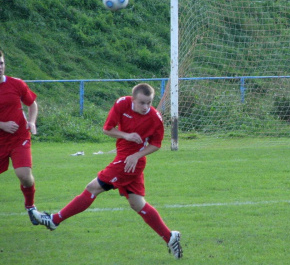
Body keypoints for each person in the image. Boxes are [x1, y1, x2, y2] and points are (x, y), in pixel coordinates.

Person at [33, 83, 183, 258]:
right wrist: (125, 135)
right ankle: (169, 236)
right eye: (142, 102)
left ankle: (54, 220)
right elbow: (107, 129)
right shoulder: (121, 104)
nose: (146, 107)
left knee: (92, 188)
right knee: (137, 203)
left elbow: (156, 144)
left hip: (129, 162)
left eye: (149, 103)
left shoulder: (155, 118)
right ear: (132, 99)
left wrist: (137, 155)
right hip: (125, 158)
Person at [0, 50, 39, 225]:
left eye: (1, 63)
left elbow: (32, 104)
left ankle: (30, 206)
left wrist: (31, 122)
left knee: (24, 175)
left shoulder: (16, 84)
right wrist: (2, 125)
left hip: (19, 138)